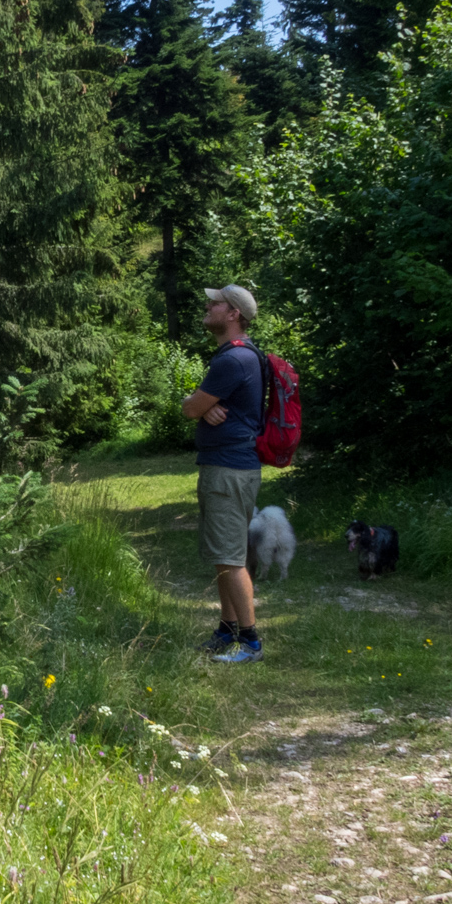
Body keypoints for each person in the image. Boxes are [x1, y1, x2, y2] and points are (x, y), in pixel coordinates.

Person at [181, 284, 265, 663]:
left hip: (228, 470)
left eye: (215, 303)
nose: (208, 306)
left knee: (230, 557)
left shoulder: (232, 360)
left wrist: (197, 406)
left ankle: (249, 641)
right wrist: (202, 407)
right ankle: (227, 629)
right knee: (225, 552)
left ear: (233, 313)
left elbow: (190, 407)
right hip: (232, 466)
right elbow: (200, 406)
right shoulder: (244, 356)